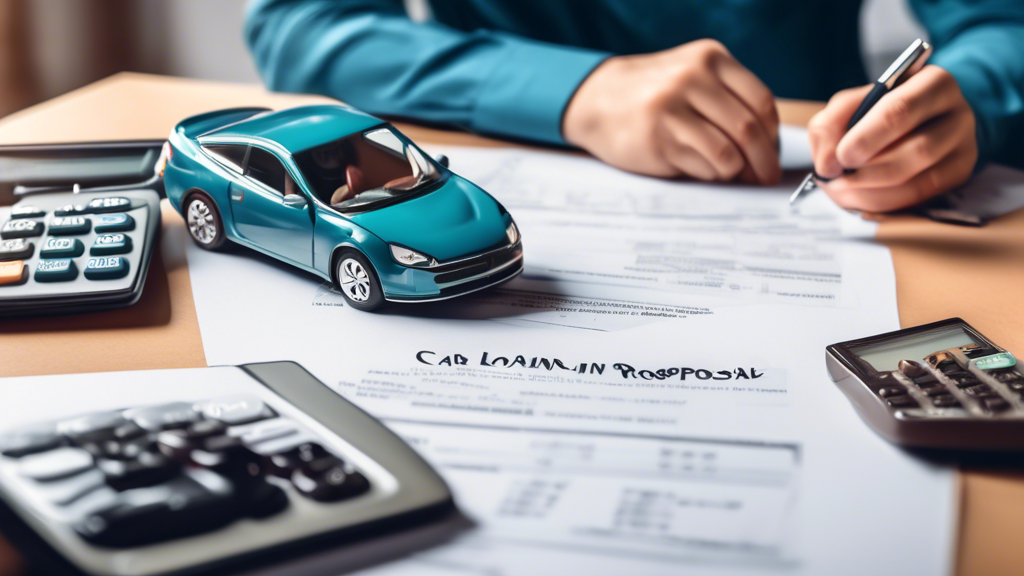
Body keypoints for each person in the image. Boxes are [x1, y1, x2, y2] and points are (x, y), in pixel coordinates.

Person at [245, 0, 1024, 213]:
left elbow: (1002, 26)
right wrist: (575, 91)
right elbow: (303, 27)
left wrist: (971, 103)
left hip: (832, 178)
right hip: (488, 178)